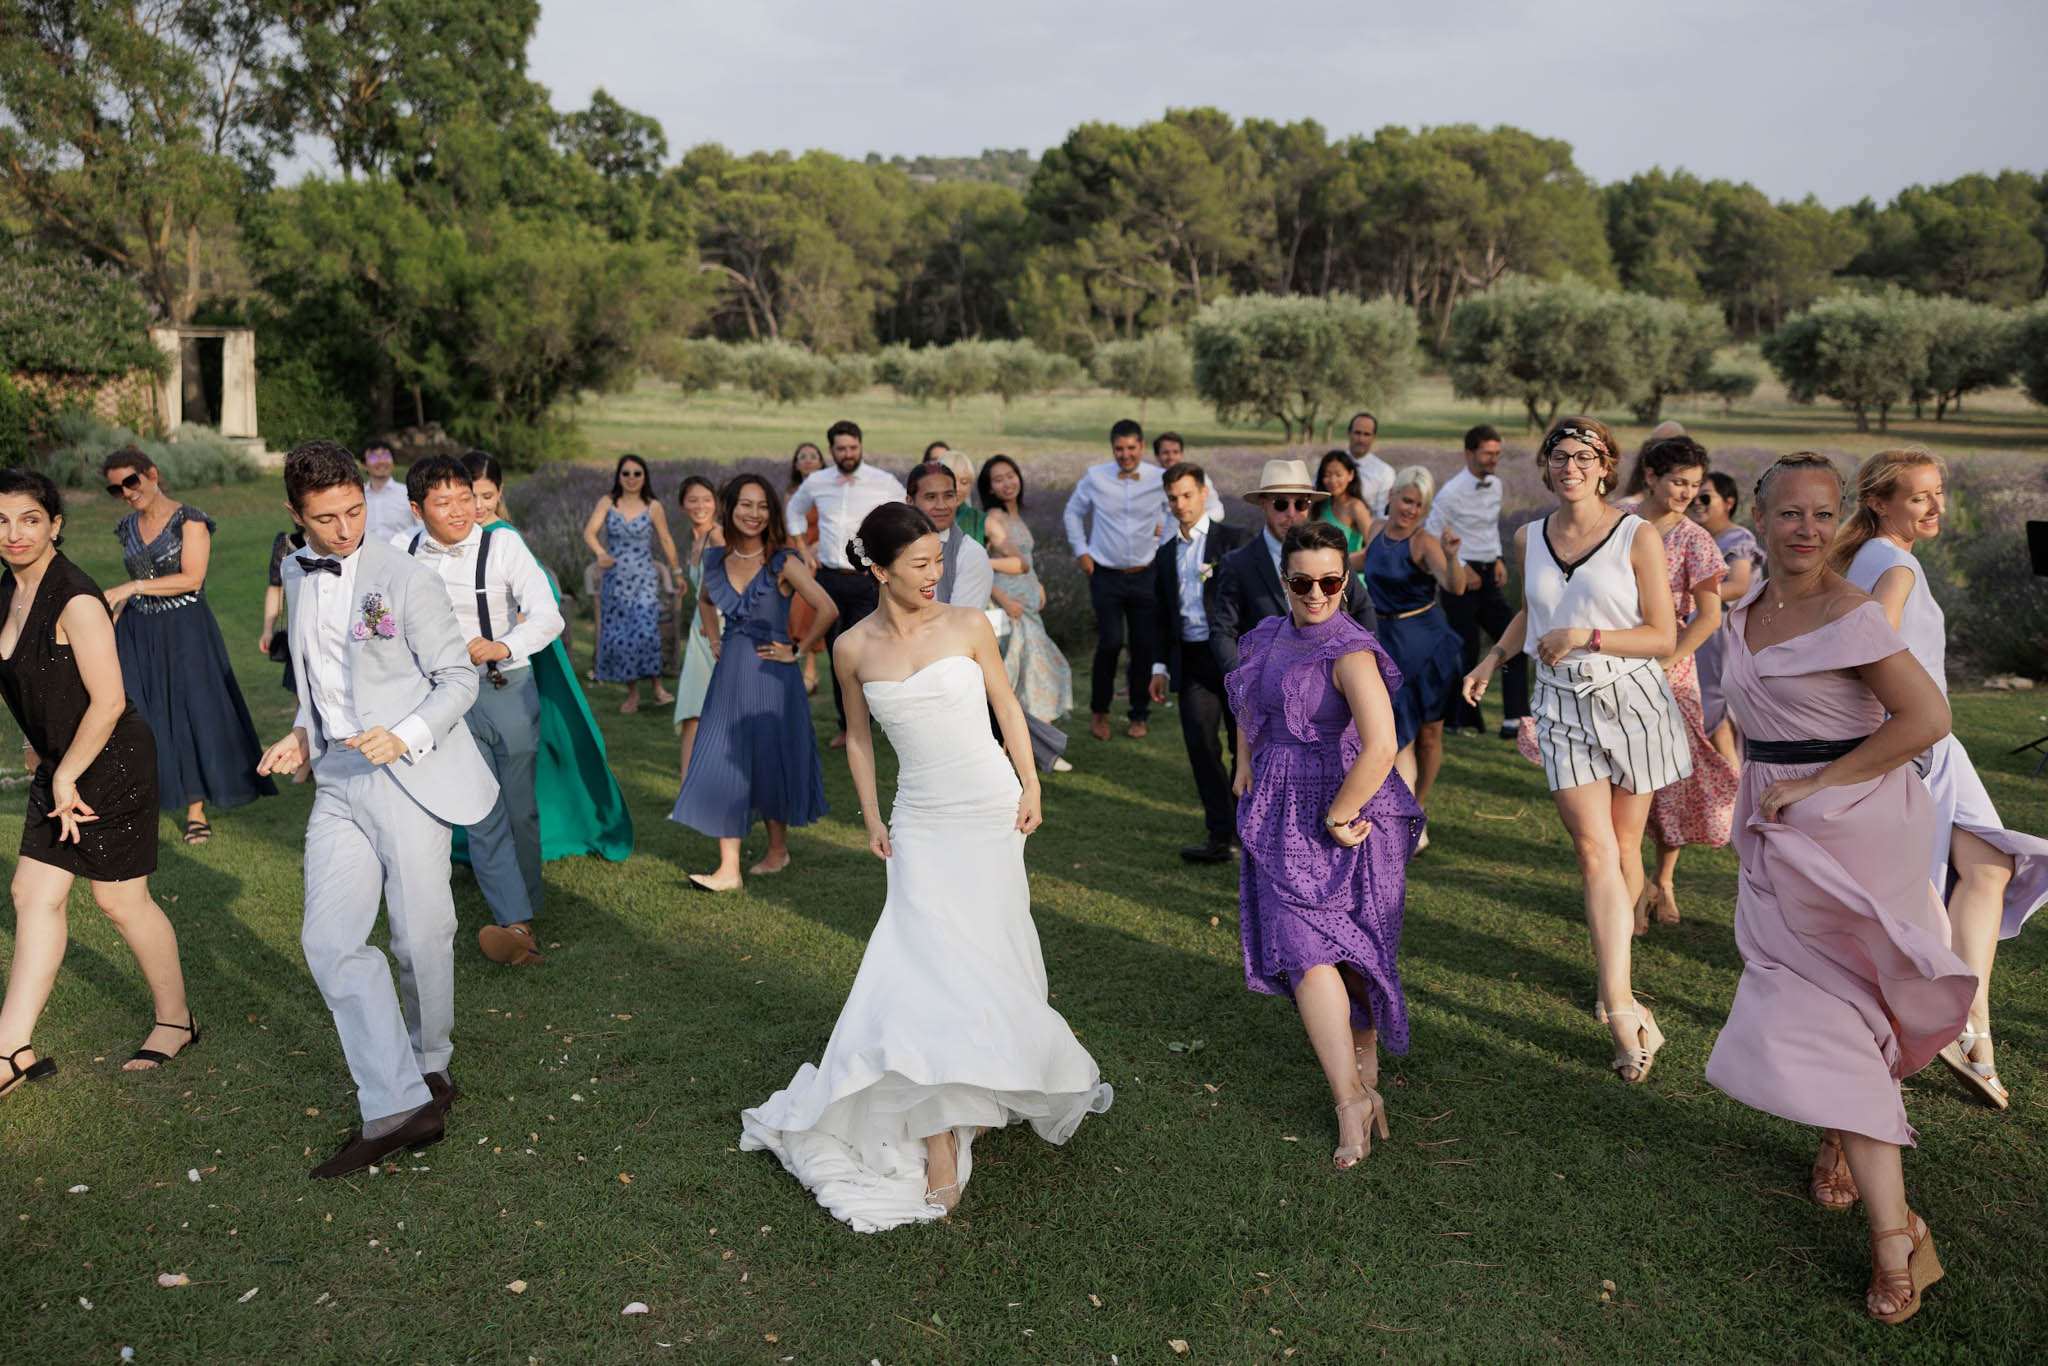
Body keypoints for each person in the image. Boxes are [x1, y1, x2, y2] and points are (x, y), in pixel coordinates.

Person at [740, 502, 1112, 1230]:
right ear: (877, 570)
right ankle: (936, 1133)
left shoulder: (970, 625)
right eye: (918, 565)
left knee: (986, 953)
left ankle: (970, 1080)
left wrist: (1031, 781)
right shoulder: (851, 648)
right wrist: (873, 817)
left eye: (938, 560)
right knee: (918, 961)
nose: (934, 575)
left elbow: (1006, 706)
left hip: (989, 809)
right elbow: (855, 740)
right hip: (920, 821)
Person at [1704, 452, 1968, 1325]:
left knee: (1845, 1006)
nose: (1808, 530)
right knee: (1823, 1006)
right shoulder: (1745, 609)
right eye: (1790, 514)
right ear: (1760, 515)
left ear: (1840, 517)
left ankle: (1896, 1237)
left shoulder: (1853, 615)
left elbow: (1928, 721)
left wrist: (1817, 787)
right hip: (1779, 827)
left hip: (1856, 824)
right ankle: (1835, 1134)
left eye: (1823, 515)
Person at [256, 440, 500, 1178]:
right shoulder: (298, 573)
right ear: (296, 517)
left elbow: (458, 679)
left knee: (421, 936)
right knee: (330, 943)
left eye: (354, 511)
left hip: (407, 774)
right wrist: (300, 735)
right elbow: (315, 681)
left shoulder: (405, 575)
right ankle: (398, 1102)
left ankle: (431, 1068)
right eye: (324, 518)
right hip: (336, 778)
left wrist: (404, 736)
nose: (342, 529)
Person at [1461, 417, 1687, 1084]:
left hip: (1633, 702)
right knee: (1593, 851)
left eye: (1584, 456)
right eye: (1559, 456)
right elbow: (1534, 611)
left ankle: (1617, 974)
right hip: (1560, 705)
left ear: (1606, 465)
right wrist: (1493, 659)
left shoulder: (1636, 535)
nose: (1570, 466)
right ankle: (1621, 1008)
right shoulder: (1531, 535)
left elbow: (1663, 636)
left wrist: (1588, 635)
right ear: (1546, 465)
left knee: (1623, 852)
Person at [1836, 448, 2048, 1112]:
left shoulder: (1872, 557)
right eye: (1921, 496)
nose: (1937, 506)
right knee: (1927, 897)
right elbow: (1868, 651)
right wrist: (1900, 733)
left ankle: (1973, 1029)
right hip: (1921, 746)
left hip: (1938, 744)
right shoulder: (1892, 564)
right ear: (1880, 501)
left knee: (1988, 866)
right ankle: (1955, 1032)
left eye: (1940, 493)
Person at [1226, 519, 1421, 1169]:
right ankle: (1353, 1097)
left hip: (1346, 813)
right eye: (1303, 582)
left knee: (1348, 957)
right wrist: (1245, 761)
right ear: (1284, 581)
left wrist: (1340, 815)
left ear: (1347, 581)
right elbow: (1252, 703)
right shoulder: (1270, 635)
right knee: (1308, 956)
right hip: (1277, 807)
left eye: (1331, 581)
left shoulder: (1350, 650)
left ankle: (1360, 1090)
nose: (1316, 594)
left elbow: (1384, 745)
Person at [0, 468, 198, 1098]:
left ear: (55, 524)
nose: (14, 533)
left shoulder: (76, 599)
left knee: (120, 902)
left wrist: (65, 772)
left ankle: (176, 1020)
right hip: (62, 764)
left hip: (108, 762)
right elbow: (36, 684)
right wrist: (39, 746)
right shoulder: (8, 590)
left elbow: (109, 700)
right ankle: (11, 1049)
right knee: (34, 894)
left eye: (29, 519)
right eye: (1, 521)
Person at [397, 455, 566, 967]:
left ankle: (524, 906)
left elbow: (549, 616)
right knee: (482, 809)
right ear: (416, 509)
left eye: (465, 498)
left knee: (519, 808)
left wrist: (502, 645)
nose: (459, 510)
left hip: (505, 688)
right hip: (443, 698)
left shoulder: (503, 544)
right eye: (443, 502)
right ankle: (515, 923)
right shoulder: (404, 554)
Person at [670, 474, 836, 892]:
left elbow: (827, 607)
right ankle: (729, 868)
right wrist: (713, 638)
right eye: (746, 504)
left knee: (769, 761)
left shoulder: (783, 562)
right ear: (730, 507)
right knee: (725, 758)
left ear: (771, 513)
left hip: (773, 679)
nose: (754, 514)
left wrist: (797, 650)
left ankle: (778, 850)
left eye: (762, 506)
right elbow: (706, 601)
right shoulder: (714, 561)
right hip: (729, 677)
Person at [466, 452, 634, 866]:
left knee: (526, 753)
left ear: (500, 493)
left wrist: (511, 633)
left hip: (511, 661)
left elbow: (547, 598)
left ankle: (524, 836)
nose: (479, 505)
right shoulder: (449, 539)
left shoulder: (504, 536)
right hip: (464, 666)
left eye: (487, 495)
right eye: (471, 495)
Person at [101, 448, 276, 845]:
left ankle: (196, 809)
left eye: (132, 481)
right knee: (137, 714)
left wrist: (132, 586)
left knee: (191, 713)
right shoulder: (126, 527)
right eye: (116, 489)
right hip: (138, 629)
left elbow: (192, 578)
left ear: (152, 474)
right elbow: (141, 575)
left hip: (185, 628)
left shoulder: (190, 520)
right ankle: (141, 800)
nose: (127, 492)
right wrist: (115, 616)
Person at [1627, 436, 1737, 930]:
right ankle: (1631, 887)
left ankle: (1664, 878)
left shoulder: (1695, 540)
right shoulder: (1616, 520)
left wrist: (1667, 658)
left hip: (1671, 672)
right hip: (1612, 659)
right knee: (1619, 782)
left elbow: (1709, 616)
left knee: (1670, 784)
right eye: (1678, 482)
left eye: (1695, 486)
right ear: (1651, 475)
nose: (1686, 494)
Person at [918, 460, 1070, 774]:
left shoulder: (972, 545)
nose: (946, 501)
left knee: (1013, 682)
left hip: (976, 629)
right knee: (1008, 682)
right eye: (932, 496)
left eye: (955, 489)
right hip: (975, 623)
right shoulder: (984, 524)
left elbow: (1019, 563)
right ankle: (1031, 748)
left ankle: (1029, 750)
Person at [1362, 467, 1466, 842]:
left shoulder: (1424, 542)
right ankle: (1394, 807)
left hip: (1427, 644)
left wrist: (1453, 558)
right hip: (1384, 640)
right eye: (1407, 500)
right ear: (1392, 495)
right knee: (1391, 731)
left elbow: (1454, 586)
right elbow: (1361, 562)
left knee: (1428, 734)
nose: (1411, 510)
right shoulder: (1375, 529)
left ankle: (1418, 810)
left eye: (1419, 505)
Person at [788, 419, 905, 749]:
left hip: (867, 580)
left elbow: (905, 513)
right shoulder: (817, 481)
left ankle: (875, 721)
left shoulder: (882, 481)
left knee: (869, 655)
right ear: (832, 450)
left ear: (861, 447)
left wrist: (891, 554)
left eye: (853, 447)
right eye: (841, 448)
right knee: (840, 655)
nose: (848, 453)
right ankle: (848, 725)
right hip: (828, 579)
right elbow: (793, 511)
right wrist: (801, 550)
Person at [1150, 461, 1246, 863]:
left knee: (1244, 747)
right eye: (1173, 498)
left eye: (1187, 495)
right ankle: (1220, 835)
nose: (1180, 504)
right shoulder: (1165, 553)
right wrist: (1159, 666)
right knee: (1201, 746)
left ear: (1204, 493)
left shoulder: (1233, 541)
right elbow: (1160, 614)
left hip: (1234, 657)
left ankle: (1250, 830)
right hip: (1191, 661)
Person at [1210, 459, 1378, 672]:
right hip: (1266, 684)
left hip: (1329, 678)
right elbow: (1223, 631)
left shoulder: (1331, 554)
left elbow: (1362, 608)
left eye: (1301, 504)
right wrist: (1243, 681)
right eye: (1281, 503)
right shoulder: (1238, 563)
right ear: (1263, 503)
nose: (1291, 513)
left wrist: (1364, 662)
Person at [1063, 418, 1166, 742]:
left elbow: (1179, 510)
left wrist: (1165, 531)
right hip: (1104, 573)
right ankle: (1099, 711)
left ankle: (1138, 714)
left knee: (1143, 646)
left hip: (1146, 573)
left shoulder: (1159, 478)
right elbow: (1072, 512)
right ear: (1112, 449)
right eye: (1119, 449)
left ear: (1142, 447)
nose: (1125, 455)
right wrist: (1081, 550)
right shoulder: (1095, 477)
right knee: (1109, 642)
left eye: (1131, 448)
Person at [1432, 424, 1528, 739]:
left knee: (1512, 642)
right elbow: (1432, 534)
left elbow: (1488, 528)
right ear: (1469, 453)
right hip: (1461, 578)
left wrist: (1498, 557)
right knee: (1466, 649)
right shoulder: (1450, 492)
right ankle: (1461, 720)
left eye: (1497, 454)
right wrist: (1460, 565)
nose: (1493, 459)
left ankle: (1515, 718)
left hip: (1489, 573)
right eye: (1488, 453)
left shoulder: (1497, 485)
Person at [979, 455, 1075, 729]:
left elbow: (1024, 560)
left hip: (1027, 605)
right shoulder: (993, 519)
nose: (1007, 483)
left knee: (1036, 673)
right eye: (998, 479)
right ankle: (1032, 743)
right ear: (989, 488)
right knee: (1035, 672)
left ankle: (1034, 742)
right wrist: (1006, 601)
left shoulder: (1014, 515)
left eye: (1010, 475)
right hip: (1012, 608)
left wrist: (1038, 583)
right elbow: (981, 567)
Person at [582, 453, 680, 713]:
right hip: (615, 580)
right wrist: (601, 553)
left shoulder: (653, 506)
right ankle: (633, 694)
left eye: (637, 473)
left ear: (645, 476)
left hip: (644, 580)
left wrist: (677, 572)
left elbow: (667, 540)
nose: (632, 478)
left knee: (647, 631)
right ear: (619, 476)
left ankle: (658, 688)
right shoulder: (608, 502)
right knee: (623, 636)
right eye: (626, 473)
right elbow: (589, 532)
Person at [1688, 470, 1763, 770]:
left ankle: (1734, 794)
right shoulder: (1698, 537)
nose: (1697, 503)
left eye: (1706, 497)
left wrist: (1684, 594)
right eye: (1694, 497)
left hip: (1724, 641)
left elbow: (1739, 584)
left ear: (1728, 502)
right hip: (1701, 638)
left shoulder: (1738, 538)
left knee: (1721, 719)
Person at [671, 475, 724, 785]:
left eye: (706, 499)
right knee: (693, 707)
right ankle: (687, 782)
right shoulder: (696, 539)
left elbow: (734, 582)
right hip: (698, 629)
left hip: (716, 630)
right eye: (693, 500)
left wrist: (715, 623)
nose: (700, 506)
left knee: (715, 706)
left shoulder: (718, 537)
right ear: (682, 506)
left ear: (715, 503)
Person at [785, 443, 827, 693]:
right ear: (796, 464)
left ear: (822, 462)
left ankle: (810, 667)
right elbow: (789, 524)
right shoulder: (791, 492)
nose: (809, 460)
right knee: (788, 607)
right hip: (795, 550)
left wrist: (814, 548)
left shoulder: (827, 490)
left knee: (806, 603)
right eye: (803, 457)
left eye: (813, 456)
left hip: (819, 551)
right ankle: (793, 664)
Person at [262, 526, 307, 697]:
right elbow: (276, 587)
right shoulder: (287, 544)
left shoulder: (339, 542)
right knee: (303, 701)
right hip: (298, 636)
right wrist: (267, 630)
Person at [1313, 449, 1373, 567]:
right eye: (1327, 475)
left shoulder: (1356, 507)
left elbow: (1373, 547)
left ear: (1350, 475)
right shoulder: (1320, 504)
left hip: (1348, 575)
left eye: (1338, 475)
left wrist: (1340, 564)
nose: (1332, 481)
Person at [1154, 431, 1222, 531]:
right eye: (1165, 453)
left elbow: (1217, 510)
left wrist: (1194, 525)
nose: (1171, 457)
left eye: (1175, 452)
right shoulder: (1148, 481)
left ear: (1181, 454)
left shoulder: (1196, 478)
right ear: (1157, 456)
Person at [361, 442, 418, 544]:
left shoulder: (409, 493)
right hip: (366, 557)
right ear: (364, 465)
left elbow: (422, 529)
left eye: (385, 456)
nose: (381, 461)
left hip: (403, 556)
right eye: (373, 458)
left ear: (393, 462)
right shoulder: (358, 497)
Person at [1345, 411, 1396, 515]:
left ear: (1374, 437)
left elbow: (1382, 515)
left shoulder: (1385, 473)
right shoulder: (1331, 464)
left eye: (1366, 434)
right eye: (1357, 433)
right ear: (1349, 433)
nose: (1361, 439)